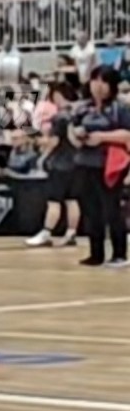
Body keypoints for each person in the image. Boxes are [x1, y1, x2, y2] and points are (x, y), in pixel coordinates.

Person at [69, 65, 130, 268]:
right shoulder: (83, 108)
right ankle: (96, 253)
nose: (98, 85)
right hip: (84, 163)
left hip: (109, 165)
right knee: (90, 210)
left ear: (112, 85)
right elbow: (73, 129)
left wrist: (102, 137)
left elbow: (127, 134)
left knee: (111, 209)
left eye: (104, 81)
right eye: (95, 80)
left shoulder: (120, 108)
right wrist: (77, 136)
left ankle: (120, 253)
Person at [26, 83, 80, 248]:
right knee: (72, 200)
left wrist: (41, 149)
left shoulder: (59, 117)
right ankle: (71, 233)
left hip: (60, 164)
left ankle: (46, 232)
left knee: (54, 201)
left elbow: (54, 142)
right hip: (76, 163)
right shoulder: (77, 114)